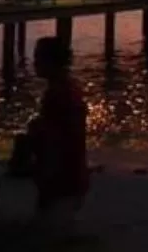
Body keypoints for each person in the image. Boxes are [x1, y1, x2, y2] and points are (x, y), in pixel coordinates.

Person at [28, 36, 89, 236]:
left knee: (52, 230)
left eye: (38, 58)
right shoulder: (70, 88)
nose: (34, 63)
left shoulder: (58, 93)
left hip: (63, 175)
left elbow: (57, 141)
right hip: (72, 172)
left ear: (51, 61)